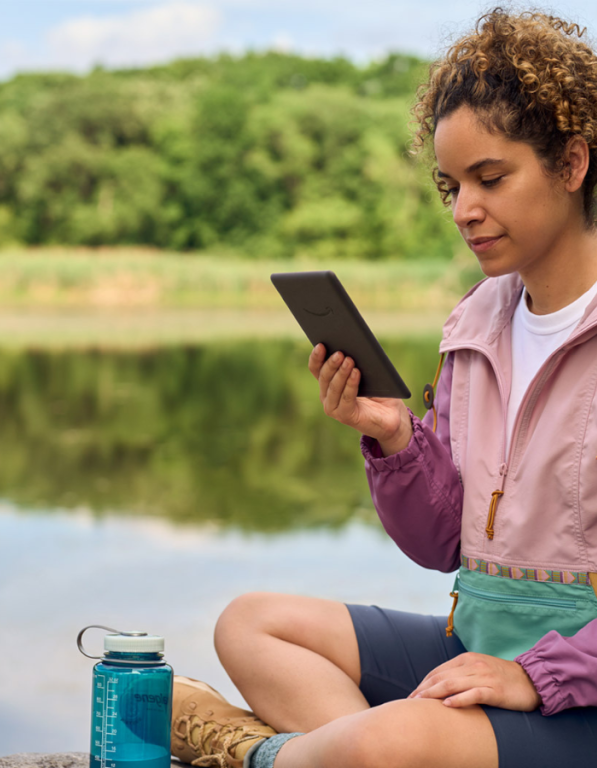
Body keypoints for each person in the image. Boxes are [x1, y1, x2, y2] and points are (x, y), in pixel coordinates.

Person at [171, 8, 597, 767]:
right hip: (477, 651)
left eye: (490, 178)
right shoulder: (476, 325)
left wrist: (537, 675)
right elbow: (443, 546)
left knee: (394, 739)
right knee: (252, 623)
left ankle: (258, 757)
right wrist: (395, 437)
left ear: (571, 164)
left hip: (580, 697)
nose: (465, 210)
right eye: (451, 185)